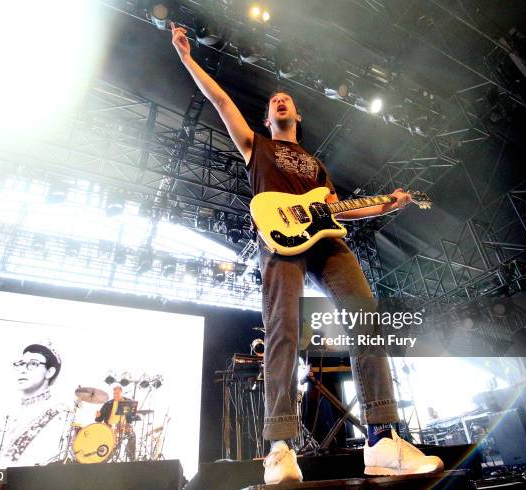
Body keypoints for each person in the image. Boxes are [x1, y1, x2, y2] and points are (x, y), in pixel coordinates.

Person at [170, 22, 444, 484]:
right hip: (279, 237)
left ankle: (381, 440)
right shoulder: (255, 145)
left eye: (287, 100)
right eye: (273, 101)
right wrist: (187, 58)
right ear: (267, 117)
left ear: (296, 114)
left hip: (327, 243)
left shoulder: (316, 165)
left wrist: (389, 204)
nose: (280, 100)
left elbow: (339, 211)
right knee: (284, 328)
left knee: (366, 317)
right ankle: (280, 446)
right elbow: (221, 102)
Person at [0, 341, 67, 468]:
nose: (22, 370)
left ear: (49, 372)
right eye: (21, 364)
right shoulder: (4, 410)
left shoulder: (60, 414)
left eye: (33, 364)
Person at [95, 385, 137, 461]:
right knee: (111, 444)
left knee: (133, 435)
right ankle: (105, 459)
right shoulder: (108, 404)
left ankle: (132, 459)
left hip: (124, 426)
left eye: (117, 393)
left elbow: (131, 418)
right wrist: (98, 416)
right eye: (114, 393)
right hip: (110, 427)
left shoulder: (128, 402)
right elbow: (99, 420)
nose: (115, 395)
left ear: (122, 393)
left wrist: (130, 419)